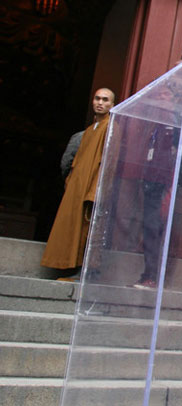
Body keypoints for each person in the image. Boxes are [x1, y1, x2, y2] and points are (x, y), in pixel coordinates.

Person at [42, 87, 116, 275]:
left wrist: (95, 191)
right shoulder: (90, 130)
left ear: (112, 105)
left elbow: (108, 162)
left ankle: (83, 272)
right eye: (97, 98)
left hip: (90, 187)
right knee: (71, 227)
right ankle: (66, 266)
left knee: (87, 230)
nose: (100, 103)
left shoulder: (110, 127)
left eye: (105, 100)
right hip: (77, 185)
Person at [133, 83, 182, 290]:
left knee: (170, 229)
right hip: (152, 180)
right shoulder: (153, 120)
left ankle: (164, 277)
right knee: (150, 226)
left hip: (172, 182)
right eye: (159, 94)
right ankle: (149, 273)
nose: (161, 98)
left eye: (165, 94)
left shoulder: (181, 120)